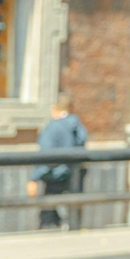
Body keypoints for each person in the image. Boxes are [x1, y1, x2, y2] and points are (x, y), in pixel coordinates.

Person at [27, 93, 87, 228]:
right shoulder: (77, 126)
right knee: (72, 216)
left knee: (48, 217)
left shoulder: (52, 127)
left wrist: (34, 178)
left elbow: (46, 155)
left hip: (54, 176)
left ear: (54, 108)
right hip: (74, 175)